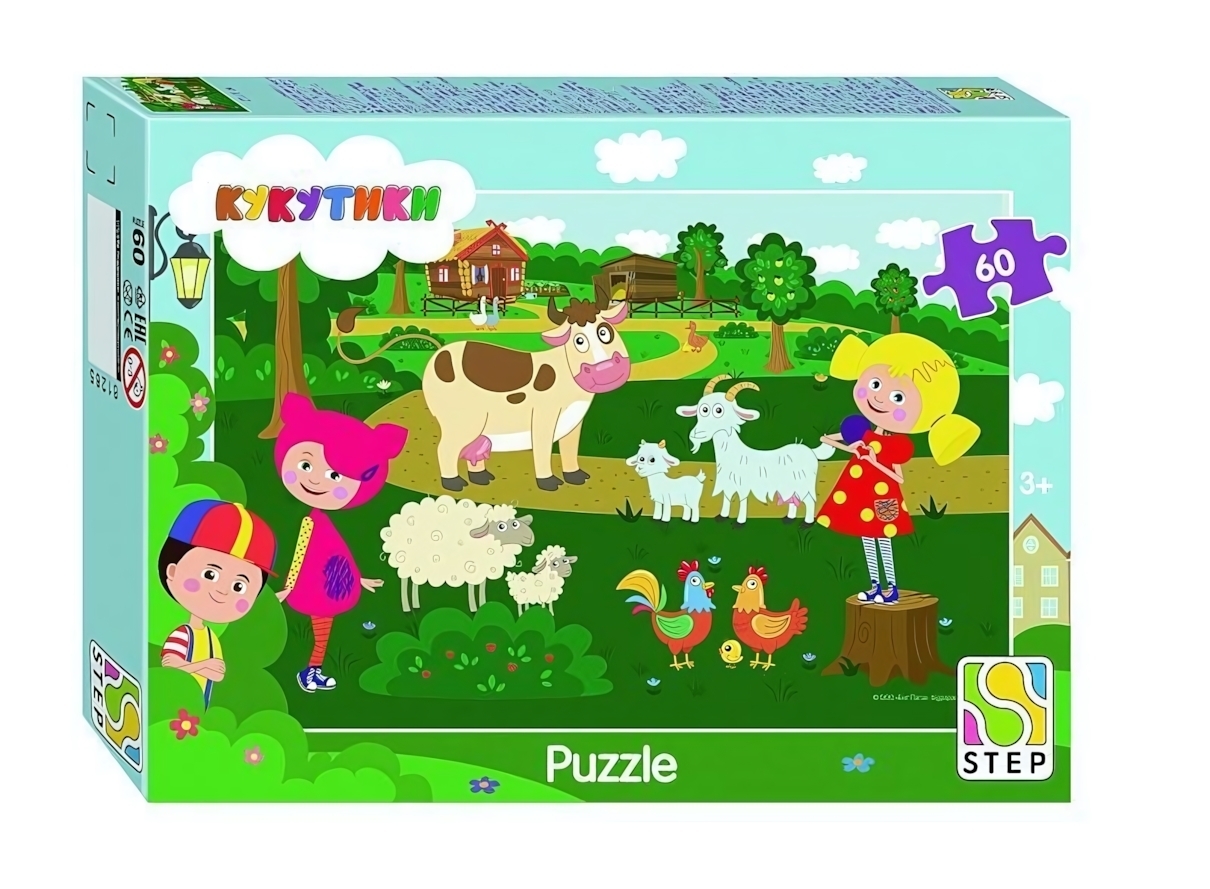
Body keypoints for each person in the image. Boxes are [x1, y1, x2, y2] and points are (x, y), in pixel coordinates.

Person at [817, 333, 980, 605]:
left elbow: (898, 476)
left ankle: (891, 587)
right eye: (875, 384)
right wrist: (838, 443)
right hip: (859, 495)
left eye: (898, 397)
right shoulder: (865, 433)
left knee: (884, 540)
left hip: (884, 497)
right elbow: (842, 440)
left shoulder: (896, 445)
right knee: (866, 539)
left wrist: (873, 461)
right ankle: (874, 586)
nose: (880, 399)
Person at [275, 394, 408, 693]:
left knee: (323, 634)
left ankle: (313, 670)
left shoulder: (323, 520)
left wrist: (359, 579)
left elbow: (338, 553)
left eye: (334, 475)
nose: (316, 481)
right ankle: (310, 672)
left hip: (329, 587)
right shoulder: (310, 521)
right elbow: (300, 553)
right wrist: (290, 586)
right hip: (314, 588)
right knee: (321, 634)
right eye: (306, 465)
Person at [158, 500, 278, 708]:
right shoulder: (183, 634)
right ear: (172, 571)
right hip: (175, 704)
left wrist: (211, 670)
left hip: (198, 707)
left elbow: (216, 674)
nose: (222, 591)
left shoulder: (211, 638)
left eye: (239, 586)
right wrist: (203, 666)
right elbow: (169, 666)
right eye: (210, 574)